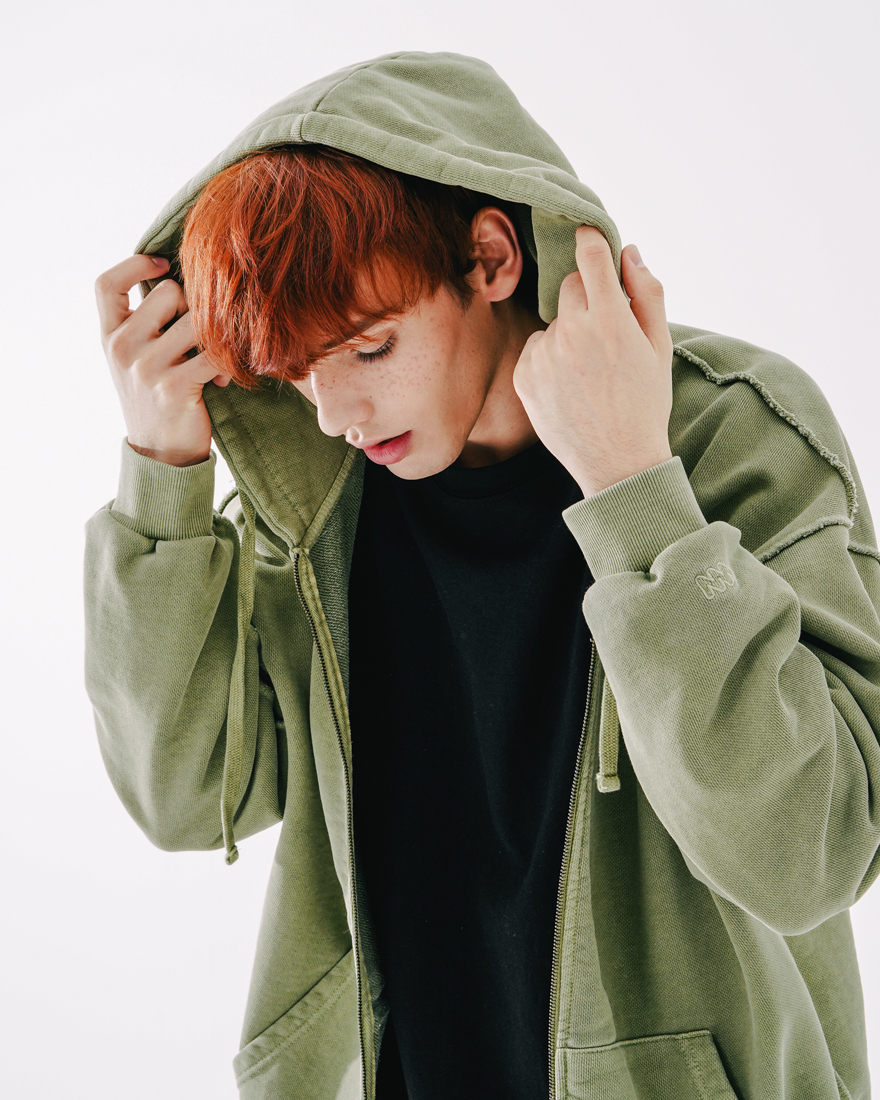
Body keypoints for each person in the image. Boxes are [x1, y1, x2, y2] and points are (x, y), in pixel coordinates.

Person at [85, 50, 880, 1100]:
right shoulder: (321, 491)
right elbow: (190, 799)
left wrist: (632, 484)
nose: (337, 413)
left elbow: (810, 854)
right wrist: (164, 475)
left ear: (491, 258)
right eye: (299, 371)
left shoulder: (731, 431)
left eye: (370, 348)